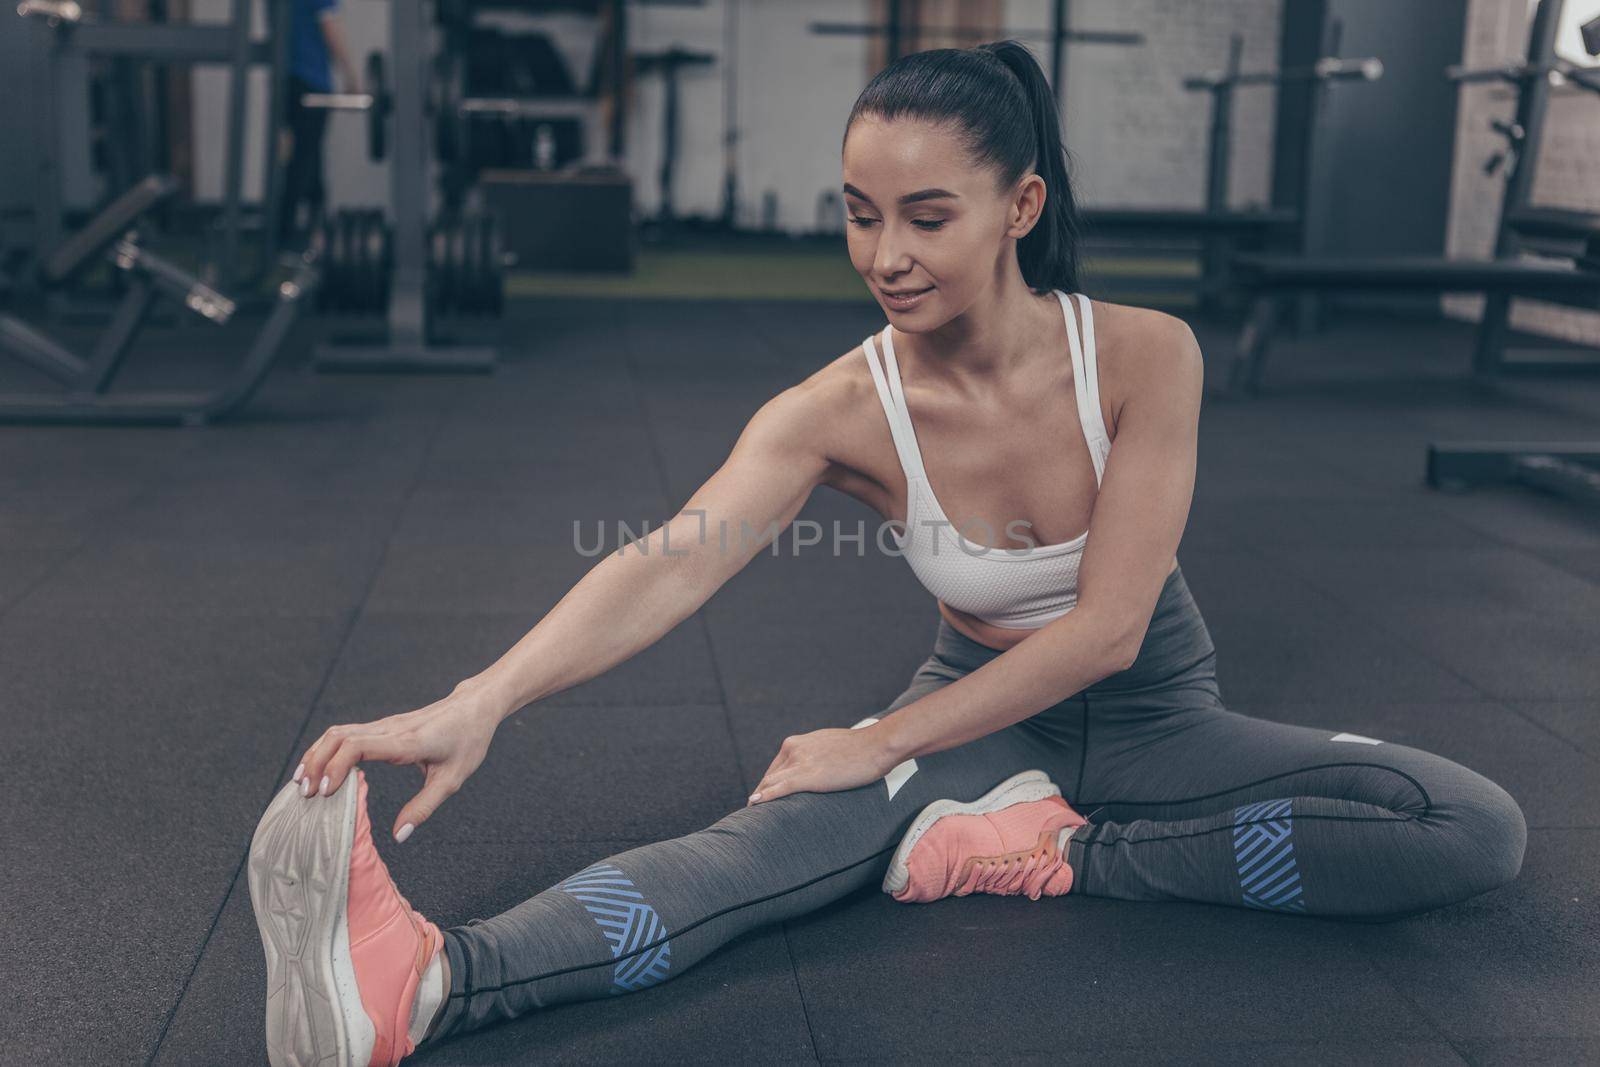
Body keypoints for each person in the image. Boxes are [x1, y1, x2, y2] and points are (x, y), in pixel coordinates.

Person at [247, 40, 1528, 1066]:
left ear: (1019, 206)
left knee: (1466, 827)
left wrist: (878, 743)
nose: (885, 257)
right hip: (975, 727)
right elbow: (671, 556)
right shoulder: (838, 407)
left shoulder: (1144, 355)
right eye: (861, 216)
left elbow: (1107, 630)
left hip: (1152, 717)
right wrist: (483, 699)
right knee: (754, 853)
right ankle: (429, 979)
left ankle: (1062, 854)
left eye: (926, 215)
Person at [277, 0, 360, 248]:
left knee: (307, 157)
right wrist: (351, 77)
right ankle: (287, 237)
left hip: (285, 83)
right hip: (312, 83)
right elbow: (329, 28)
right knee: (306, 159)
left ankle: (312, 235)